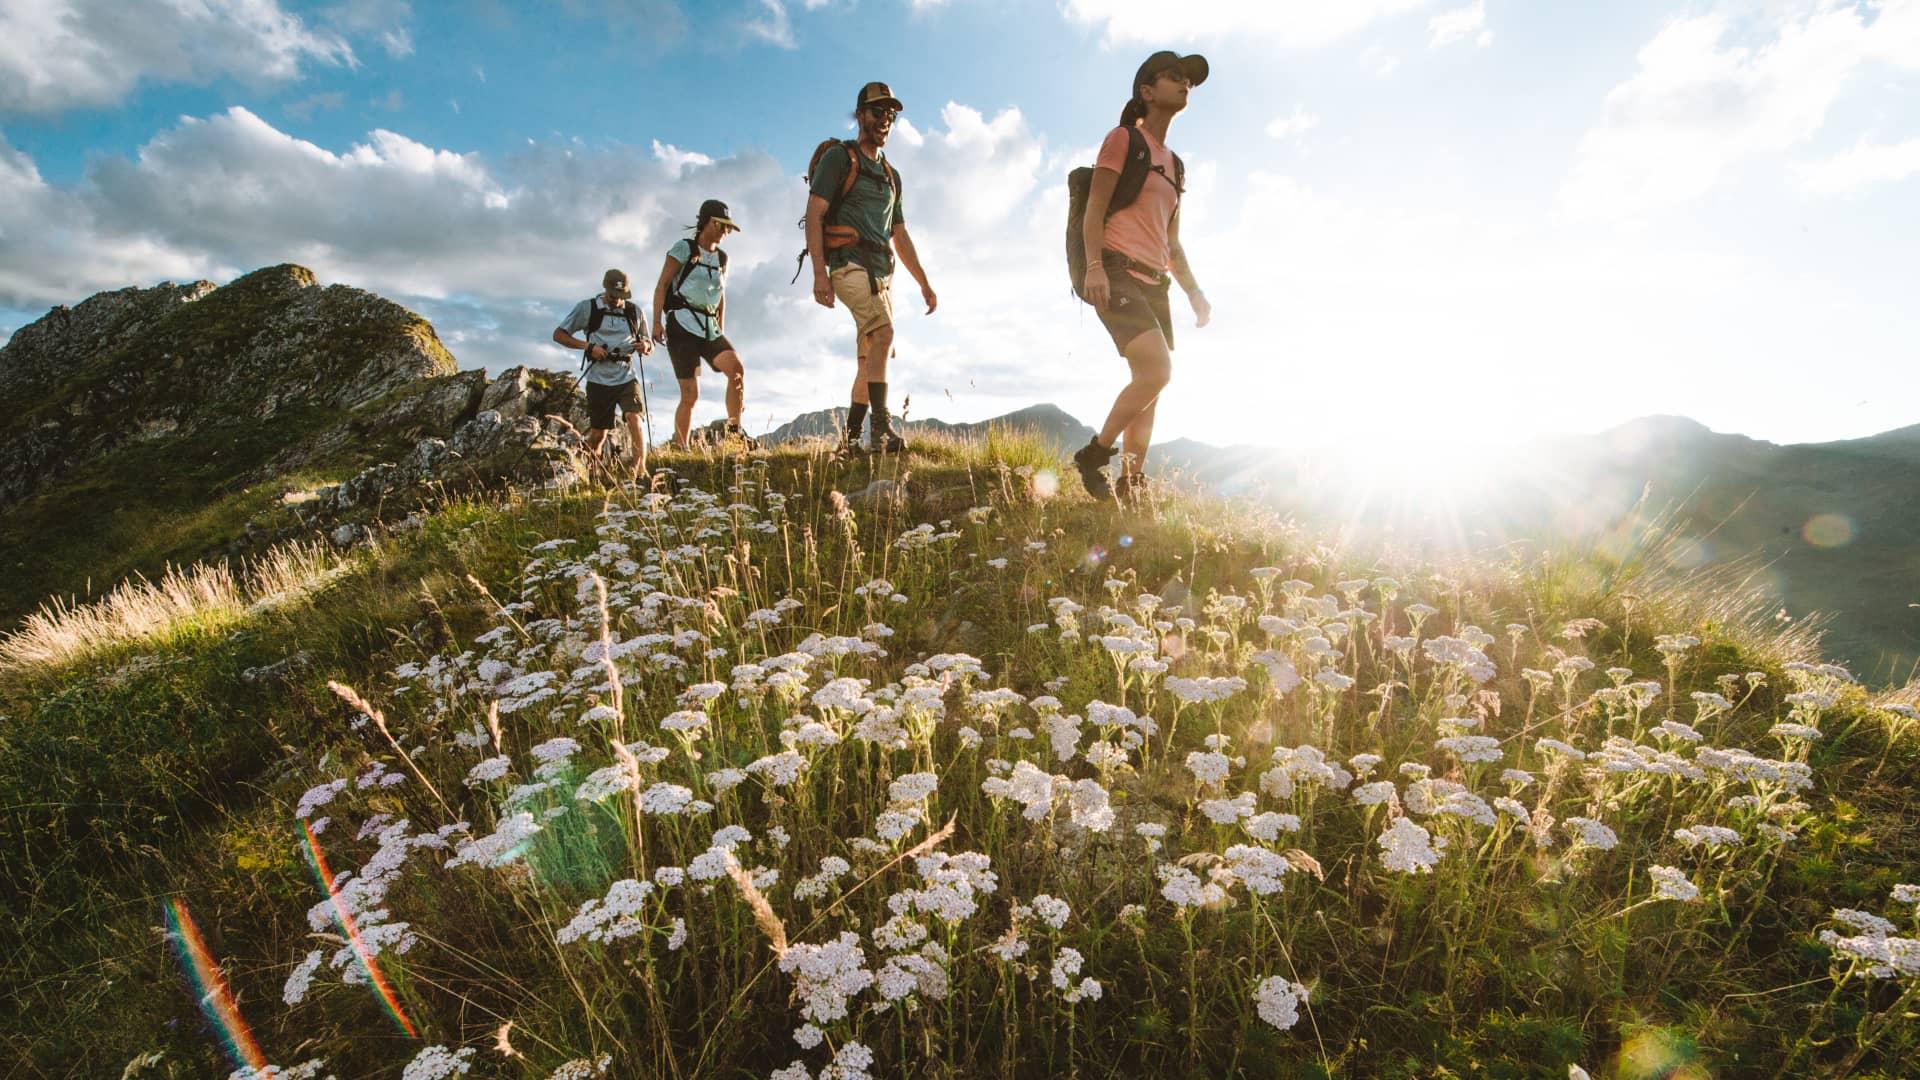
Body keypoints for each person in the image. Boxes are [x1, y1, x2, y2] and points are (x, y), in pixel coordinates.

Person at [1072, 51, 1212, 505]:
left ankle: (1131, 484)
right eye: (1174, 77)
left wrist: (1195, 293)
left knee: (1150, 387)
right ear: (1147, 92)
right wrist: (1094, 267)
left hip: (1156, 282)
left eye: (1188, 79)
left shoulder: (1176, 165)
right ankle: (1094, 455)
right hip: (1115, 270)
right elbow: (1096, 209)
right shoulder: (1123, 139)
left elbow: (1172, 242)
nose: (1184, 83)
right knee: (1157, 370)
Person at [805, 80, 937, 455]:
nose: (885, 120)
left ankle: (848, 442)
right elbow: (815, 214)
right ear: (860, 114)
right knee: (884, 333)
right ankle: (880, 428)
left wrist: (925, 284)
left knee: (871, 357)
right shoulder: (840, 159)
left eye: (890, 115)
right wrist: (819, 273)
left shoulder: (893, 177)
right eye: (877, 112)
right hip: (847, 265)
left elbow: (900, 233)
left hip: (882, 273)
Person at [652, 199, 752, 450]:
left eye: (728, 228)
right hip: (681, 326)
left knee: (736, 370)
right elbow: (663, 284)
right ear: (706, 222)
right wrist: (656, 323)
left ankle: (734, 434)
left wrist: (721, 328)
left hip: (709, 326)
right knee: (690, 394)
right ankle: (682, 447)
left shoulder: (722, 258)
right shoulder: (684, 248)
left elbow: (721, 296)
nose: (724, 231)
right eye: (721, 225)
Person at [552, 269, 655, 483]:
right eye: (613, 295)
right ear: (604, 288)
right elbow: (559, 335)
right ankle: (593, 474)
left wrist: (645, 346)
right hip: (598, 378)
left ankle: (641, 472)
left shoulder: (635, 312)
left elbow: (649, 344)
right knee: (599, 434)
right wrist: (589, 347)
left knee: (634, 418)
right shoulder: (587, 308)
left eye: (621, 296)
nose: (617, 300)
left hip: (627, 375)